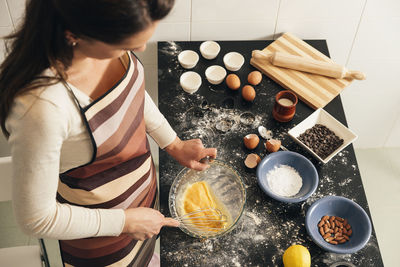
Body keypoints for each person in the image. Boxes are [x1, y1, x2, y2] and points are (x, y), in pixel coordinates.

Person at [0, 0, 217, 266]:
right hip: (101, 239)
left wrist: (173, 144)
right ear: (74, 34)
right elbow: (36, 218)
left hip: (140, 203)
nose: (140, 49)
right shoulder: (42, 107)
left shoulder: (104, 38)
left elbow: (131, 91)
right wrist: (124, 222)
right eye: (126, 45)